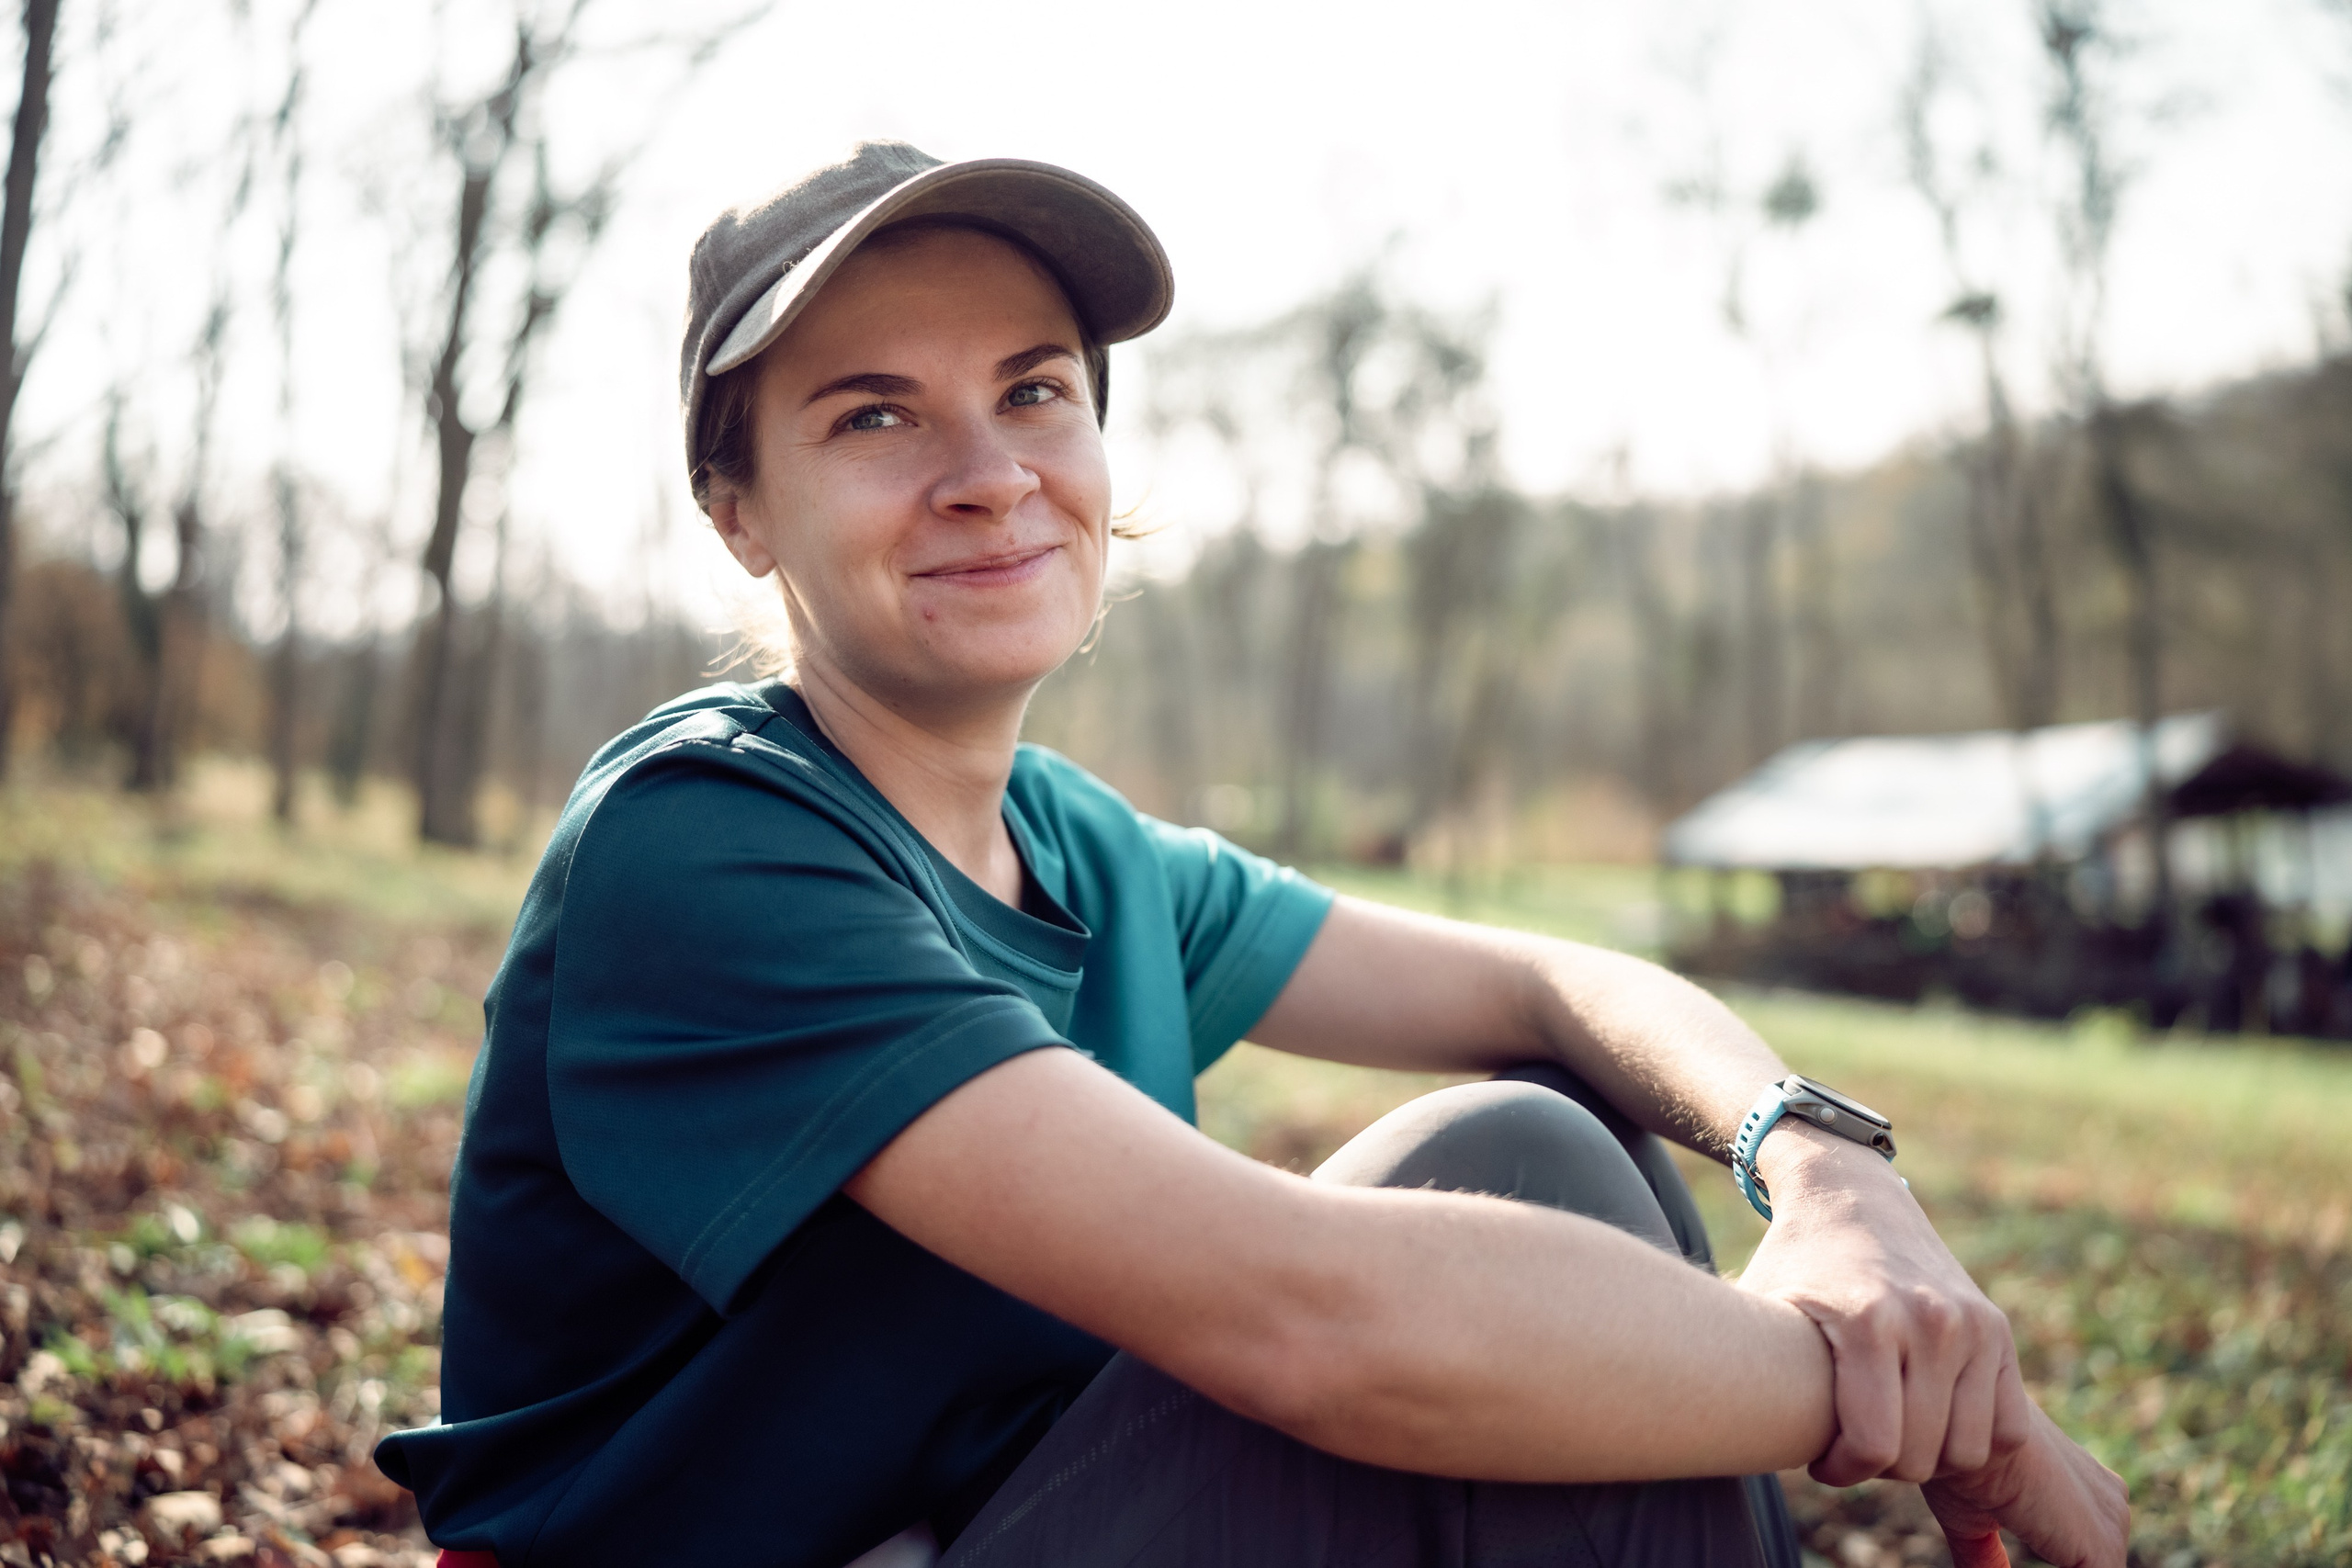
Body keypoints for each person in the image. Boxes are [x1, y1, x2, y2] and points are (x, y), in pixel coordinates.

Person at [375, 141, 2128, 1568]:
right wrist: (1906, 1399)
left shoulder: (1077, 845)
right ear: (738, 510)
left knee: (1527, 1129)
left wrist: (1826, 1174)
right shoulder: (704, 850)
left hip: (987, 1529)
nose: (991, 474)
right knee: (1502, 1265)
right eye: (875, 416)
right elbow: (1316, 1321)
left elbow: (1546, 979)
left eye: (1035, 390)